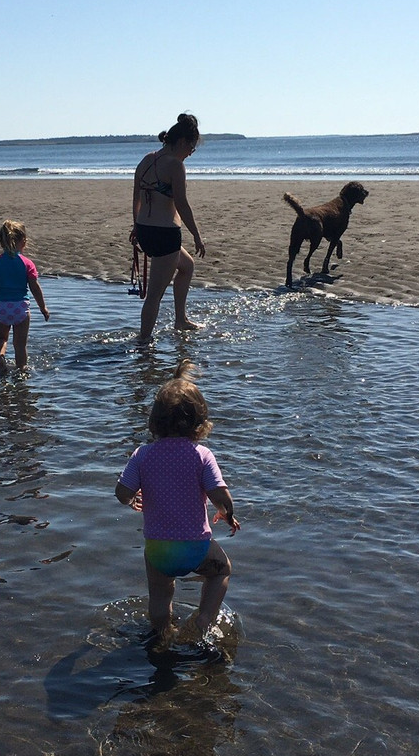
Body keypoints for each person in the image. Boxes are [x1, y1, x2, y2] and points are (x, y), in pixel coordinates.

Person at [115, 360, 240, 645]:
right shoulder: (201, 455)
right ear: (200, 422)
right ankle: (203, 619)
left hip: (157, 548)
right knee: (222, 569)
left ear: (154, 421)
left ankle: (162, 634)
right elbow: (220, 494)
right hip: (195, 546)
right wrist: (227, 513)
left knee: (160, 596)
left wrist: (132, 498)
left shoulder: (142, 455)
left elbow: (122, 492)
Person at [131, 113, 206, 344]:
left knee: (187, 266)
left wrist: (136, 226)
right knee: (154, 295)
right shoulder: (176, 165)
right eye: (192, 147)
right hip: (165, 234)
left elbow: (136, 197)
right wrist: (197, 235)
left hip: (145, 229)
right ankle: (144, 343)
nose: (191, 152)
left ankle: (180, 319)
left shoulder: (147, 159)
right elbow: (182, 204)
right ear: (183, 142)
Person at [0, 219, 50, 372]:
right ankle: (22, 370)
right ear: (23, 242)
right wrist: (43, 307)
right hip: (20, 308)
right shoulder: (27, 263)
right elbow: (34, 287)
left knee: (0, 338)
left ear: (1, 242)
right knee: (20, 345)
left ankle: (1, 357)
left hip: (2, 308)